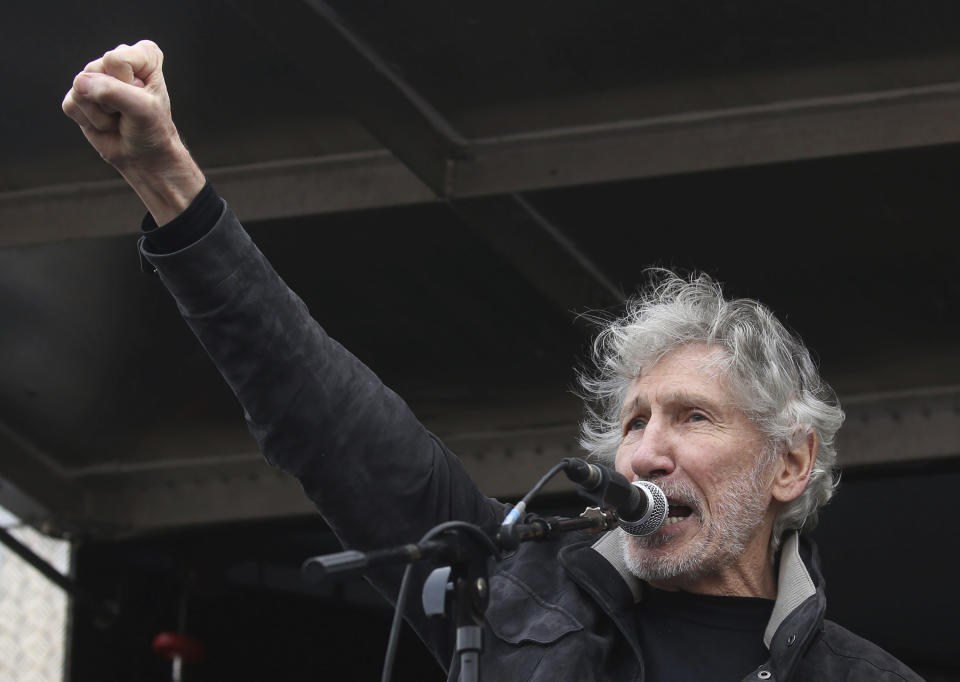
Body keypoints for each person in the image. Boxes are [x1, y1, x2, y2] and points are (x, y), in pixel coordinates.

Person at [62, 41, 923, 681]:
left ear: (791, 461)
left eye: (692, 415)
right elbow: (320, 415)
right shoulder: (515, 593)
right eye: (632, 423)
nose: (644, 452)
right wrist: (168, 185)